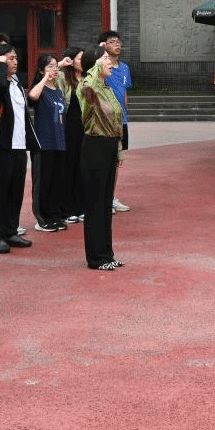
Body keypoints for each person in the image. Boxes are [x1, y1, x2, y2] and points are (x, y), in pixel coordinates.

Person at [78, 46, 126, 270]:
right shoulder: (88, 87)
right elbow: (89, 91)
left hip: (108, 146)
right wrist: (95, 70)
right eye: (105, 58)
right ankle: (96, 258)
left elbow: (116, 121)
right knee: (95, 204)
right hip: (94, 147)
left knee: (106, 204)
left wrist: (118, 150)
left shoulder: (106, 88)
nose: (110, 62)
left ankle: (107, 254)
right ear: (95, 64)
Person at [0, 42, 34, 254]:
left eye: (15, 58)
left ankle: (11, 231)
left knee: (16, 191)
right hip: (1, 146)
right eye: (10, 59)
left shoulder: (16, 84)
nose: (15, 62)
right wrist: (0, 66)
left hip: (19, 146)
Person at [28, 53, 71, 232]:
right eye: (49, 66)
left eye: (55, 66)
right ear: (41, 70)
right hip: (44, 143)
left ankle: (54, 215)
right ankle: (41, 218)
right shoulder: (40, 89)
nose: (54, 69)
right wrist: (44, 77)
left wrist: (57, 67)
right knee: (43, 182)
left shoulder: (58, 91)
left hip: (59, 142)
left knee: (56, 181)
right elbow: (32, 96)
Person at [98, 29, 132, 213]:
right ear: (103, 45)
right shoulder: (101, 67)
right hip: (104, 121)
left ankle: (110, 197)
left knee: (116, 160)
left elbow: (124, 91)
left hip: (121, 121)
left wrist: (125, 114)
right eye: (112, 42)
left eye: (118, 42)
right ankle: (102, 198)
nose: (117, 45)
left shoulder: (125, 68)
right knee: (104, 160)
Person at [56, 47, 87, 224]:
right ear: (71, 60)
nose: (82, 62)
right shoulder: (63, 77)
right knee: (69, 166)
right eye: (79, 58)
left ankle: (80, 206)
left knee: (82, 167)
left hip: (85, 128)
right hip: (68, 127)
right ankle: (66, 209)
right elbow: (48, 76)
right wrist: (60, 65)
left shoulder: (88, 78)